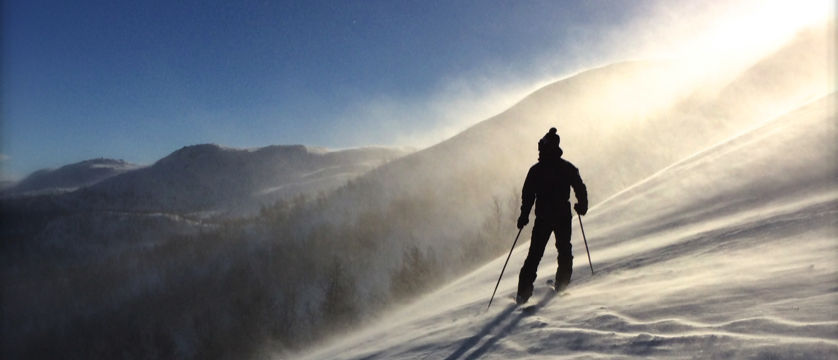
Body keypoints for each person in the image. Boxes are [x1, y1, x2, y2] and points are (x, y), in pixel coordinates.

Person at [516, 127, 588, 305]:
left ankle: (523, 294)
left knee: (534, 255)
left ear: (545, 148)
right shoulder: (567, 167)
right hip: (563, 216)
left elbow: (528, 195)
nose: (539, 151)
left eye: (541, 147)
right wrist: (582, 206)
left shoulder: (536, 170)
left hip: (543, 218)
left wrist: (524, 215)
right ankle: (562, 284)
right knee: (564, 250)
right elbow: (579, 186)